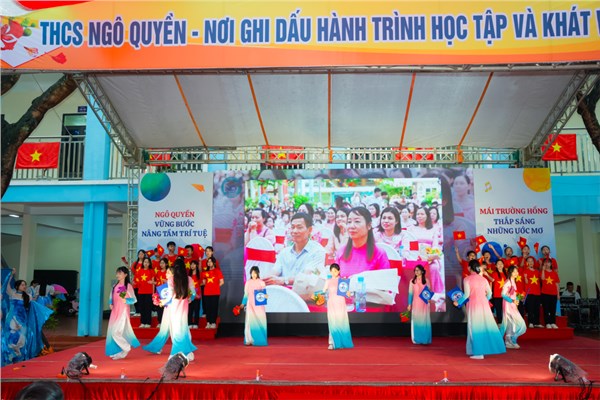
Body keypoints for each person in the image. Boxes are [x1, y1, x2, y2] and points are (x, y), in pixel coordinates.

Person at [143, 259, 197, 359]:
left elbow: (170, 295)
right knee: (183, 328)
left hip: (174, 307)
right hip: (184, 307)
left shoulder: (172, 279)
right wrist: (190, 299)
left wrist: (162, 302)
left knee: (175, 330)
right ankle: (188, 353)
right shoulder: (188, 278)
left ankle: (176, 353)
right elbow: (193, 293)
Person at [454, 260, 505, 359]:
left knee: (474, 327)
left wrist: (458, 302)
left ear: (469, 268)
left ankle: (478, 352)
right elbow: (490, 293)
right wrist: (484, 300)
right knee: (483, 326)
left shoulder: (467, 279)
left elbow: (466, 295)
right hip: (484, 305)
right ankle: (476, 350)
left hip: (473, 306)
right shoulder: (483, 279)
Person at [2, 269, 53, 366]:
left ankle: (21, 358)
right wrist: (11, 275)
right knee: (11, 338)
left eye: (25, 285)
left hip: (23, 321)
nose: (24, 286)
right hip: (12, 320)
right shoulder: (12, 293)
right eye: (22, 285)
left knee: (22, 339)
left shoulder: (28, 296)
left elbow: (32, 307)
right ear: (17, 286)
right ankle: (10, 358)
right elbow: (7, 285)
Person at [266, 212, 326, 286]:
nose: (294, 231)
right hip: (282, 292)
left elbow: (308, 276)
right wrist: (268, 279)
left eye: (299, 227)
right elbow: (274, 271)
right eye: (292, 227)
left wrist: (284, 280)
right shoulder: (284, 252)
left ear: (310, 230)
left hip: (304, 291)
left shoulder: (317, 251)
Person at [335, 207, 390, 277]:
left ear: (369, 225)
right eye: (349, 222)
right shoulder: (341, 251)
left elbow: (385, 282)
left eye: (357, 221)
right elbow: (334, 278)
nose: (351, 226)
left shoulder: (379, 254)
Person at [404, 206, 443, 293]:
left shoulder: (433, 229)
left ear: (427, 216)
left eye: (422, 214)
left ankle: (432, 292)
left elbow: (435, 246)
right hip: (414, 256)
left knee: (434, 267)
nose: (419, 216)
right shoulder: (411, 228)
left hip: (429, 257)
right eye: (418, 214)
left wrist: (431, 256)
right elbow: (407, 244)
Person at [105, 266, 140, 360]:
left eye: (120, 273)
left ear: (125, 275)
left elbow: (134, 299)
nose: (117, 275)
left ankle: (126, 347)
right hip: (115, 311)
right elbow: (111, 297)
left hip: (123, 311)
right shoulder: (115, 286)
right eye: (117, 273)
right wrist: (110, 303)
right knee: (113, 332)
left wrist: (127, 300)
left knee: (116, 332)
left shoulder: (128, 286)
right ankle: (119, 352)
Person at [321, 264, 353, 350]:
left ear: (339, 271)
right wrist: (318, 296)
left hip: (341, 303)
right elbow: (323, 291)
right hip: (331, 303)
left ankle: (341, 343)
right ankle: (331, 343)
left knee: (341, 322)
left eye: (335, 271)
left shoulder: (343, 281)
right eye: (332, 271)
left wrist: (348, 294)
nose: (333, 273)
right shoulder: (328, 281)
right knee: (332, 323)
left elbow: (347, 294)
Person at [500, 266, 526, 349]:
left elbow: (513, 295)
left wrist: (518, 298)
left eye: (517, 271)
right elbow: (503, 294)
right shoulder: (508, 282)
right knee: (521, 324)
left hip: (512, 305)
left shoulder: (514, 281)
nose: (516, 273)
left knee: (510, 324)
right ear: (510, 272)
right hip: (508, 306)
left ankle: (508, 342)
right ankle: (512, 339)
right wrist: (513, 300)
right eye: (514, 272)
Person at [241, 266, 268, 346]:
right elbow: (246, 294)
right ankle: (249, 339)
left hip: (259, 306)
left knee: (260, 321)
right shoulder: (248, 282)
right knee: (249, 321)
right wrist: (243, 303)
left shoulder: (261, 282)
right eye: (252, 273)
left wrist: (266, 296)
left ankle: (260, 340)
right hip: (250, 304)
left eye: (255, 273)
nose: (254, 275)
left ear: (258, 273)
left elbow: (264, 294)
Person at [407, 265, 431, 345]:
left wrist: (429, 299)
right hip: (416, 304)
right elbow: (410, 294)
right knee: (417, 321)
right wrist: (409, 304)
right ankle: (417, 339)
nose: (416, 272)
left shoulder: (426, 281)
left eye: (418, 270)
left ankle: (425, 339)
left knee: (425, 321)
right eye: (415, 270)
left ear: (422, 271)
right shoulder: (412, 281)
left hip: (424, 304)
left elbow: (428, 293)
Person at [203, 256, 224, 329]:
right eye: (208, 262)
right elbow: (204, 282)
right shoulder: (205, 272)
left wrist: (215, 286)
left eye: (210, 261)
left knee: (214, 308)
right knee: (208, 308)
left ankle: (213, 322)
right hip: (207, 293)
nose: (209, 263)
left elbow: (222, 282)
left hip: (215, 293)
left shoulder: (217, 271)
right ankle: (208, 322)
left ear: (214, 263)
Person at [134, 257, 155, 328]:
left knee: (148, 308)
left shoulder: (151, 271)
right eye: (145, 262)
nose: (146, 263)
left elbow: (153, 283)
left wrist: (153, 293)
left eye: (147, 262)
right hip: (141, 292)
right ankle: (142, 322)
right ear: (143, 263)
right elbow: (137, 281)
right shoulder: (139, 271)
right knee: (142, 308)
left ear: (149, 263)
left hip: (149, 292)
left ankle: (148, 323)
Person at [523, 256, 543, 328]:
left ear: (534, 262)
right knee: (530, 308)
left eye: (532, 261)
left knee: (537, 308)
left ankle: (537, 322)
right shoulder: (525, 271)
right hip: (529, 292)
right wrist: (525, 277)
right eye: (529, 261)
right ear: (526, 263)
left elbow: (541, 280)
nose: (530, 262)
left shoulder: (537, 271)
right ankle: (530, 322)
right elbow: (526, 282)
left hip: (537, 292)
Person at [540, 259, 560, 329]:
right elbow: (542, 279)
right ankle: (547, 323)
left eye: (548, 262)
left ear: (551, 264)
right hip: (545, 293)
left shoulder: (554, 273)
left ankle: (553, 323)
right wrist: (543, 270)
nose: (547, 264)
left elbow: (557, 284)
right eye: (545, 263)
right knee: (546, 309)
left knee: (553, 309)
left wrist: (558, 294)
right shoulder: (542, 272)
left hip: (553, 294)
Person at [490, 260, 506, 325]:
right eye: (498, 264)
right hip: (497, 295)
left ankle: (505, 322)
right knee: (498, 309)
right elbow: (491, 282)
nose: (500, 265)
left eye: (501, 263)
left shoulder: (506, 274)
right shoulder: (494, 274)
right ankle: (500, 322)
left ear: (503, 265)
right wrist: (490, 292)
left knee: (505, 309)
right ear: (496, 266)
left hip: (505, 295)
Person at [154, 257, 169, 328]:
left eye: (163, 263)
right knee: (159, 307)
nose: (161, 264)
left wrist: (167, 281)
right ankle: (160, 322)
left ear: (166, 264)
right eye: (160, 263)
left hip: (166, 293)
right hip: (159, 292)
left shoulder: (168, 272)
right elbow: (157, 282)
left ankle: (166, 323)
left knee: (166, 308)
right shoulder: (158, 272)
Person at [188, 260, 201, 329]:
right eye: (191, 264)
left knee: (196, 310)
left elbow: (201, 284)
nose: (192, 266)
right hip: (190, 295)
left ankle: (196, 323)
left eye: (194, 264)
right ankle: (189, 323)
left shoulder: (199, 275)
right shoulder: (188, 276)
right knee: (190, 310)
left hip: (197, 295)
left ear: (196, 265)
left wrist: (197, 294)